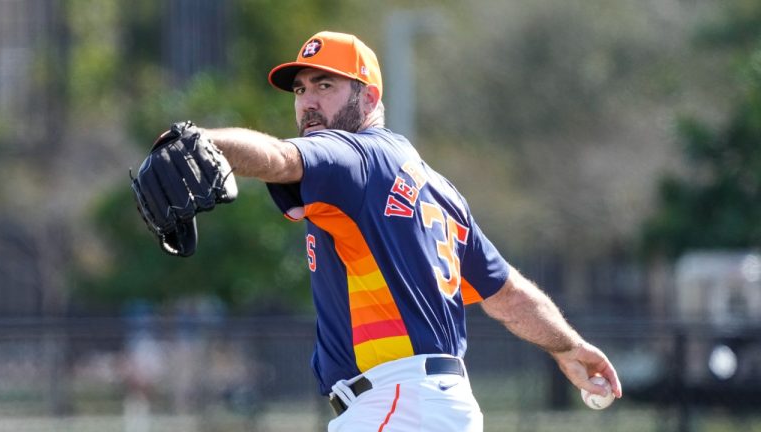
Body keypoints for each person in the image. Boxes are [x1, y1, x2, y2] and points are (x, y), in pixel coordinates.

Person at [197, 30, 622, 431]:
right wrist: (567, 346)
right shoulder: (438, 189)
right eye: (301, 89)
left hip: (397, 403)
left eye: (325, 86)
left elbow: (279, 157)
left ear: (369, 98)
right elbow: (507, 295)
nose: (308, 102)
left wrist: (201, 144)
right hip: (435, 405)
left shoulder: (356, 156)